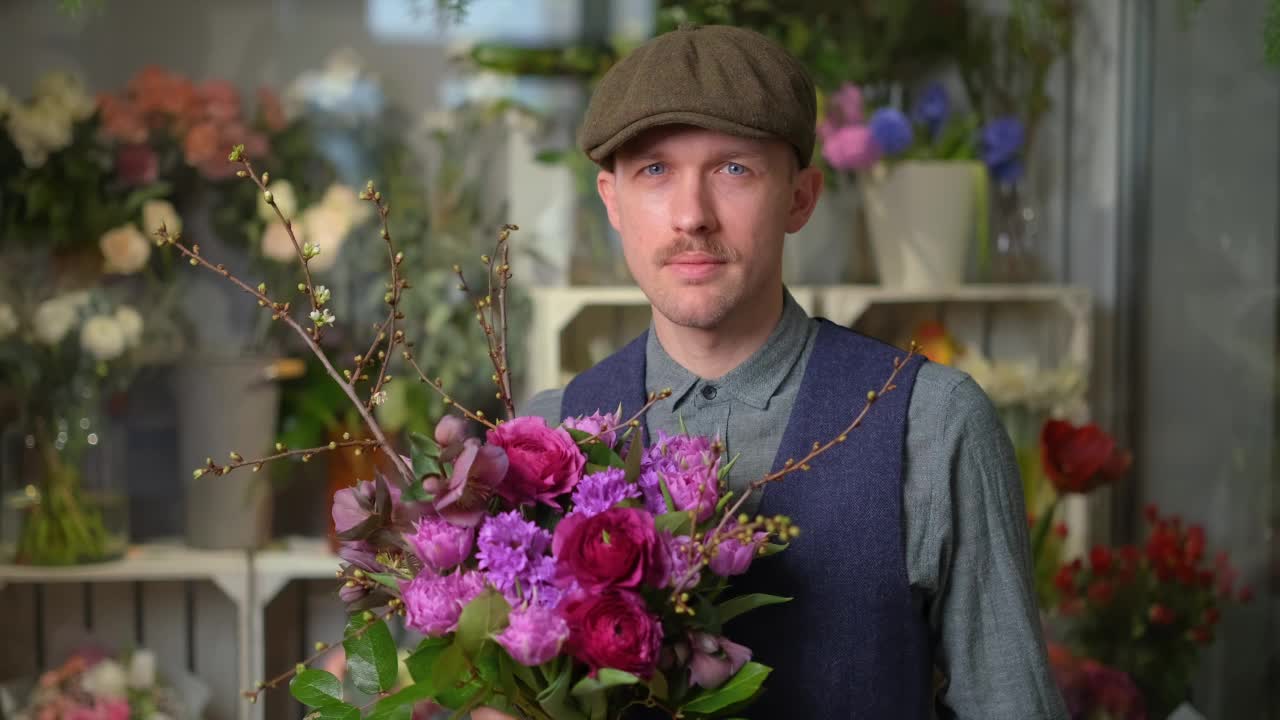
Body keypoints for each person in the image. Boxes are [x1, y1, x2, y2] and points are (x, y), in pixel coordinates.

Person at [476, 24, 1068, 720]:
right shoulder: (548, 442)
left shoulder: (934, 425)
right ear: (612, 199)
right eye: (655, 171)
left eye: (734, 169)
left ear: (800, 197)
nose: (692, 216)